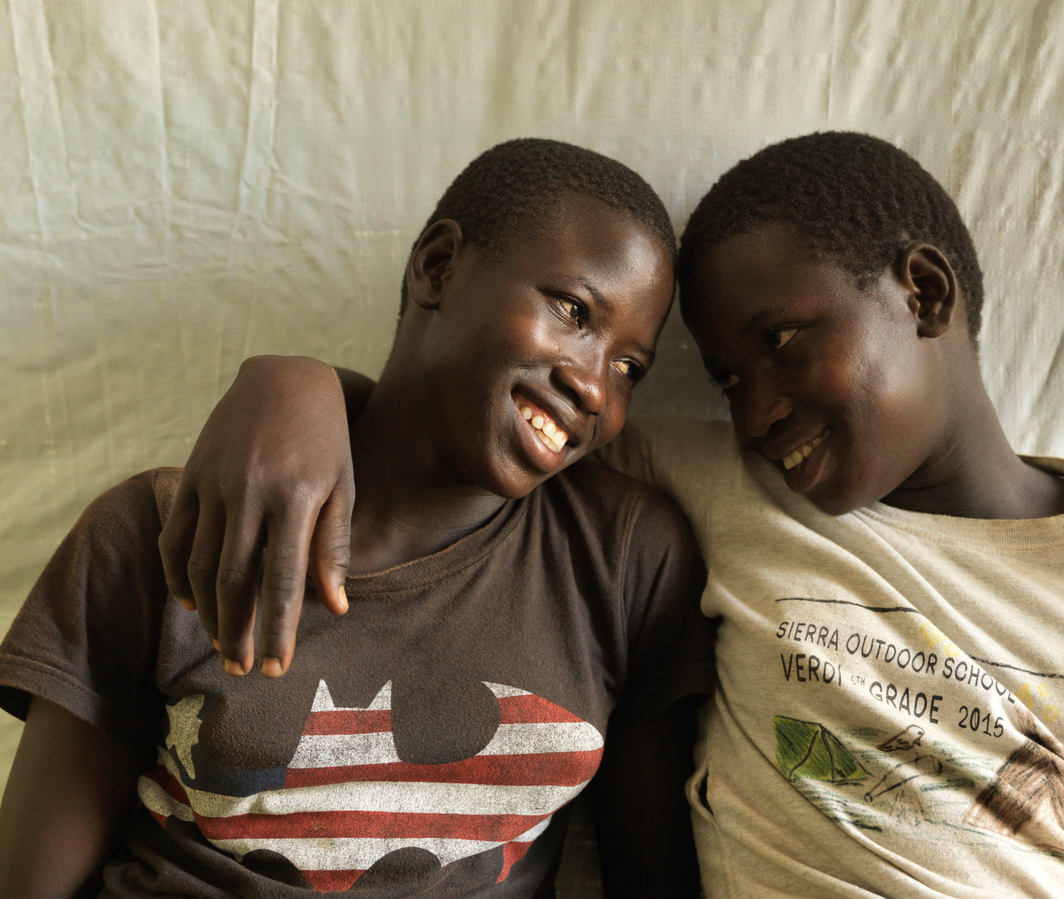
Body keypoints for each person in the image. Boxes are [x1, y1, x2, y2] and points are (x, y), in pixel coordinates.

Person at [146, 131, 1064, 898]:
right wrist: (291, 384)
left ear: (921, 292)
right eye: (728, 378)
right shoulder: (721, 489)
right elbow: (488, 426)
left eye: (780, 342)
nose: (757, 411)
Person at [0, 139, 715, 899]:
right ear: (438, 267)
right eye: (573, 310)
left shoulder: (627, 560)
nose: (596, 388)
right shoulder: (165, 529)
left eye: (629, 366)